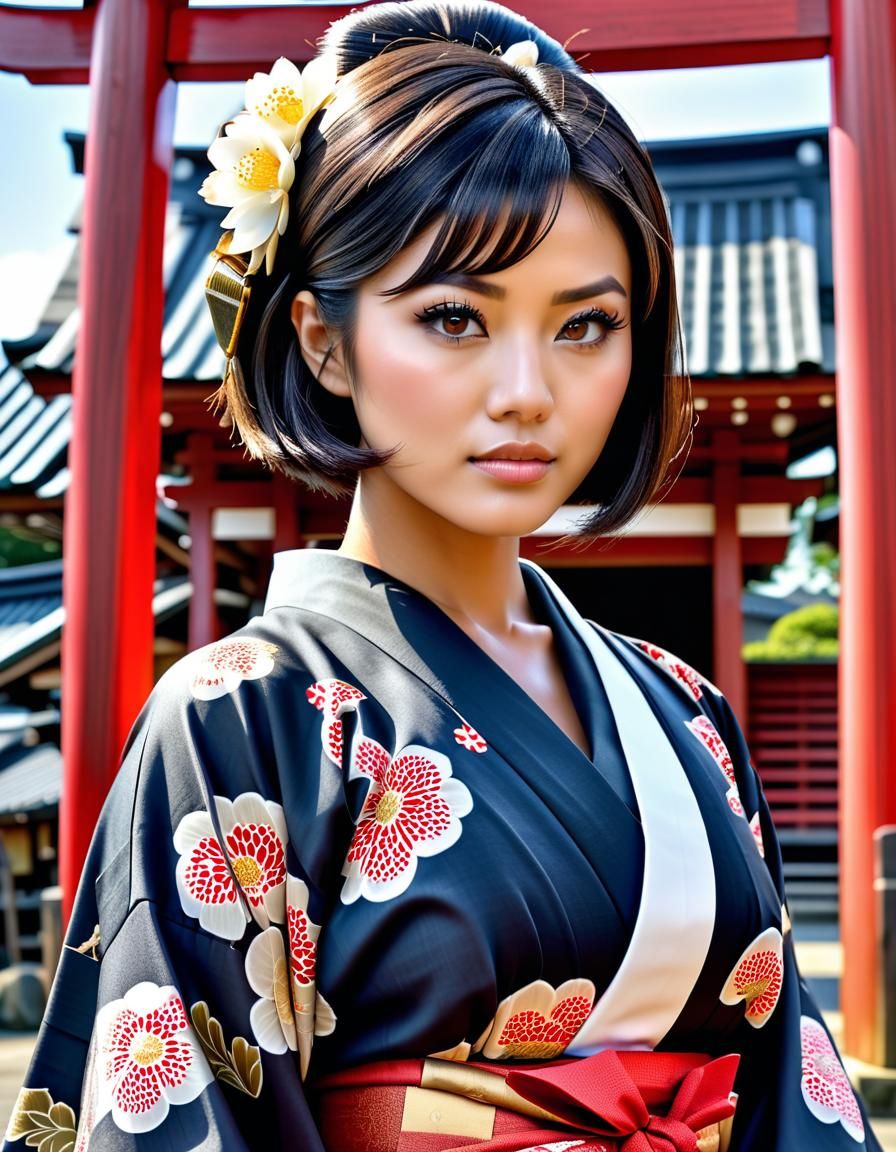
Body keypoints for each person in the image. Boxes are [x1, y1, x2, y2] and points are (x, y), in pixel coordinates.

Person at [3, 2, 879, 1149]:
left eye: (585, 326)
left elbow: (787, 1093)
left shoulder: (686, 711)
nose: (527, 390)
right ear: (322, 339)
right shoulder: (239, 721)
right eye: (454, 317)